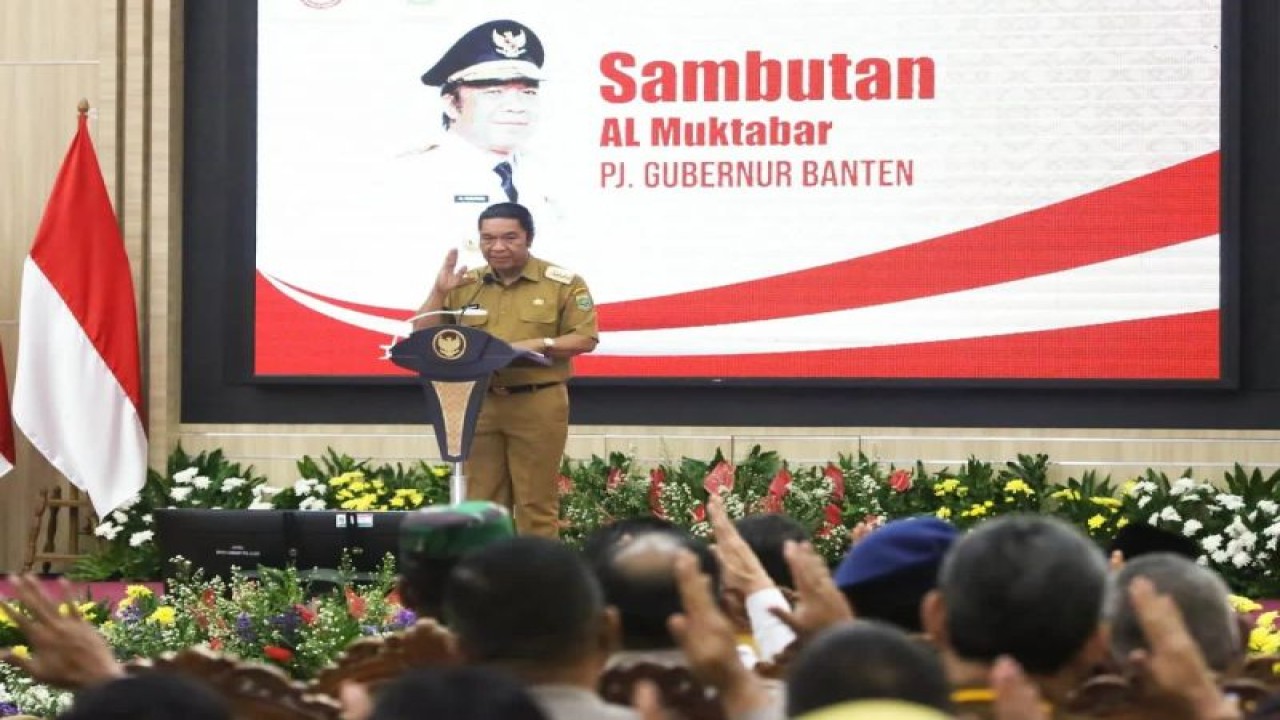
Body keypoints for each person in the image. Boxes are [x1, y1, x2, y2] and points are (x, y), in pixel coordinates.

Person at [413, 202, 597, 537]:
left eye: (510, 238)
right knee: (482, 503)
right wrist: (439, 292)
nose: (497, 247)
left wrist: (539, 344)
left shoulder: (562, 283)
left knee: (535, 503)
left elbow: (585, 338)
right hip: (478, 402)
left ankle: (537, 570)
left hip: (537, 401)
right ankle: (488, 570)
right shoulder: (465, 284)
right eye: (488, 238)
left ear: (529, 238)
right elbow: (422, 335)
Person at [403, 18, 561, 269]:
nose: (516, 106)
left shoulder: (549, 174)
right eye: (494, 93)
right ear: (452, 105)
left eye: (528, 93)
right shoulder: (410, 177)